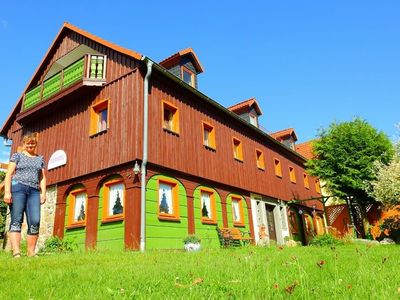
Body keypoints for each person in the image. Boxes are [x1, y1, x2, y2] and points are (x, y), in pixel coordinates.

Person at [3, 132, 46, 258]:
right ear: (24, 143)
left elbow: (42, 177)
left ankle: (31, 252)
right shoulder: (17, 156)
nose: (30, 145)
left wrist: (43, 193)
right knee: (16, 219)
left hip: (34, 191)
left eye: (32, 143)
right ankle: (16, 252)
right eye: (28, 143)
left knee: (35, 220)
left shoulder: (40, 159)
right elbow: (9, 174)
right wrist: (7, 192)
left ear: (36, 144)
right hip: (18, 188)